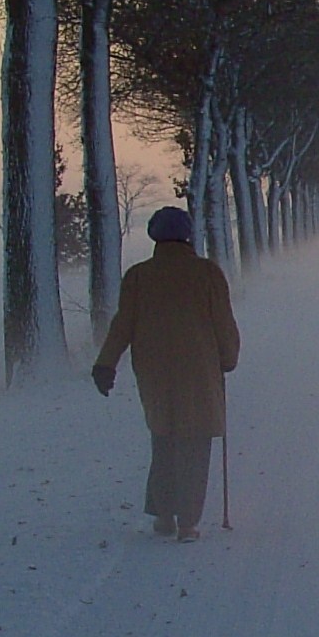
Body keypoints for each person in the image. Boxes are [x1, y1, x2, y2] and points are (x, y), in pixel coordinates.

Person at [92, 207, 240, 542]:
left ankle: (163, 515)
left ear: (154, 236)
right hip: (199, 370)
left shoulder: (138, 276)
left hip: (153, 371)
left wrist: (106, 364)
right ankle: (187, 523)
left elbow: (122, 325)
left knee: (163, 437)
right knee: (194, 442)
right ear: (187, 235)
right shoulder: (207, 273)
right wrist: (228, 358)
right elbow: (223, 323)